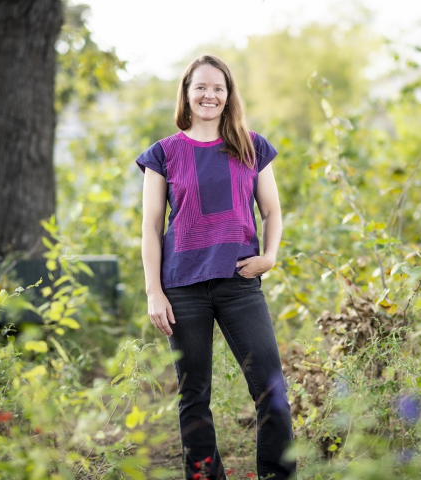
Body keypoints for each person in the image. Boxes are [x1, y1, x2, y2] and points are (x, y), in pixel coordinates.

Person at [136, 54, 296, 480]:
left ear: (228, 96)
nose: (210, 95)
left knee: (271, 389)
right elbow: (151, 229)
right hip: (182, 289)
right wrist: (154, 290)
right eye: (201, 87)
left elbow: (272, 212)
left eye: (218, 88)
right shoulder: (163, 154)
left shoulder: (251, 145)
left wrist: (271, 256)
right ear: (187, 95)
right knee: (193, 396)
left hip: (240, 281)